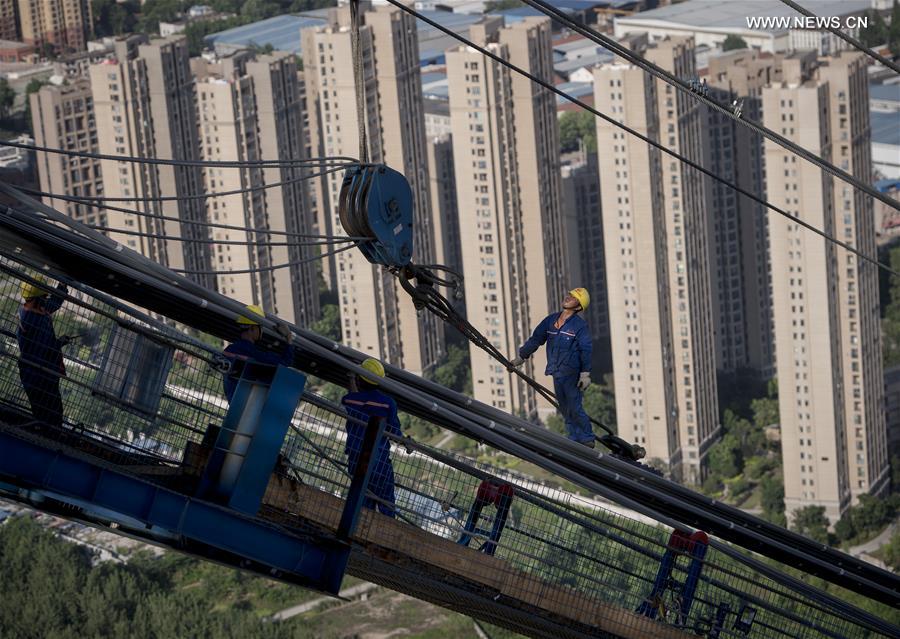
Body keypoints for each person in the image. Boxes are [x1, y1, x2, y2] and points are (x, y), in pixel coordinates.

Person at [511, 288, 594, 447]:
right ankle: (574, 438)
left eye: (573, 297)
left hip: (572, 374)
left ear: (578, 306)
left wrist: (585, 374)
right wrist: (521, 357)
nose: (568, 297)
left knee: (574, 406)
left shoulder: (579, 326)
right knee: (564, 407)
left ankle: (586, 437)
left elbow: (586, 349)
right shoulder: (550, 321)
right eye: (569, 295)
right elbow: (536, 339)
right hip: (556, 372)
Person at [340, 357, 402, 518]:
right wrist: (407, 442)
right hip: (379, 464)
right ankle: (386, 537)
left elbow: (353, 397)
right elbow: (395, 433)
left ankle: (360, 533)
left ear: (360, 380)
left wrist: (351, 377)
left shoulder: (350, 400)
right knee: (387, 505)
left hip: (356, 462)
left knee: (363, 506)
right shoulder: (388, 404)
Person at [16, 277, 69, 429]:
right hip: (40, 375)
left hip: (36, 374)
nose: (47, 300)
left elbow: (53, 303)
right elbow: (46, 348)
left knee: (46, 414)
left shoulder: (31, 310)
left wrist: (62, 285)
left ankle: (46, 434)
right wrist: (61, 342)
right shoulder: (31, 319)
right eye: (44, 297)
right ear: (37, 299)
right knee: (52, 415)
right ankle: (48, 439)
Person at [222, 304, 294, 402]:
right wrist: (289, 337)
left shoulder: (228, 350)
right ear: (252, 328)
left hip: (234, 402)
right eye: (260, 327)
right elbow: (286, 361)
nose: (262, 331)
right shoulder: (254, 355)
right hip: (247, 404)